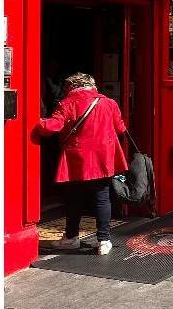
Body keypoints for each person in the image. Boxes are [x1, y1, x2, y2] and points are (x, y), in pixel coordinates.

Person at [36, 73, 128, 256]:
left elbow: (53, 126)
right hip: (103, 158)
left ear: (71, 87)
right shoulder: (109, 103)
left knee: (74, 199)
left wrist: (32, 121)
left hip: (77, 159)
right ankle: (104, 241)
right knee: (102, 198)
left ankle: (71, 238)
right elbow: (120, 129)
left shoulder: (67, 103)